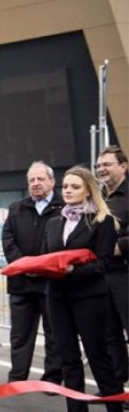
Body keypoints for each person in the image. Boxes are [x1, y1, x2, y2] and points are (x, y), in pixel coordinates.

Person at [42, 166, 127, 412]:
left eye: (74, 186)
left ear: (88, 190)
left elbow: (103, 263)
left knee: (99, 357)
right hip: (57, 297)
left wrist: (73, 272)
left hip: (90, 296)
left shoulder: (102, 221)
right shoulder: (54, 222)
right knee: (68, 359)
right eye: (65, 186)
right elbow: (47, 257)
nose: (67, 190)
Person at [1, 161, 63, 384]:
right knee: (20, 334)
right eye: (32, 180)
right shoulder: (16, 208)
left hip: (51, 283)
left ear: (52, 181)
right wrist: (25, 265)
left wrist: (44, 266)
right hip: (21, 283)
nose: (36, 184)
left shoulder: (63, 207)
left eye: (40, 179)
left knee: (54, 333)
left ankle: (53, 378)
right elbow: (8, 240)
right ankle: (17, 377)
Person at [95, 146, 128, 388]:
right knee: (109, 335)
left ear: (123, 166)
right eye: (98, 166)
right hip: (103, 275)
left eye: (106, 164)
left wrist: (121, 246)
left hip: (126, 273)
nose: (101, 169)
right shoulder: (98, 198)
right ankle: (117, 389)